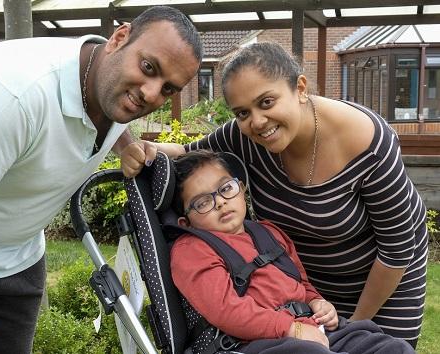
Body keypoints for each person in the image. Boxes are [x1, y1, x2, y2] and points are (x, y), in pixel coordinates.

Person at [121, 42, 428, 348]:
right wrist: (145, 151)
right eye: (242, 112)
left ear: (300, 88)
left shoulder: (368, 143)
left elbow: (396, 251)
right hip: (297, 286)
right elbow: (190, 154)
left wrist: (347, 330)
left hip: (383, 277)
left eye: (267, 102)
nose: (257, 121)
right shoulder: (244, 136)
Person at [0, 5, 201, 354]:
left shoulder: (108, 79)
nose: (152, 94)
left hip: (22, 257)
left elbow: (115, 112)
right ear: (119, 37)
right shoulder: (10, 98)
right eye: (149, 67)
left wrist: (125, 144)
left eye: (168, 89)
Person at [170, 149, 415, 354]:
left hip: (311, 327)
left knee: (390, 347)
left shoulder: (268, 233)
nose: (220, 202)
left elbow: (301, 284)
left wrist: (317, 302)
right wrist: (292, 329)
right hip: (254, 342)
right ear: (186, 222)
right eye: (202, 203)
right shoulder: (192, 250)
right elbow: (226, 310)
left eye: (226, 188)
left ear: (241, 189)